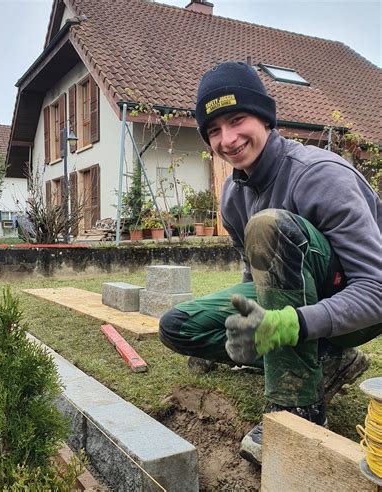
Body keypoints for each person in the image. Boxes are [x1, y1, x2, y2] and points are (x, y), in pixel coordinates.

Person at [159, 61, 382, 466]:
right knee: (178, 327)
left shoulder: (318, 175)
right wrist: (248, 323)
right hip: (306, 303)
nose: (227, 139)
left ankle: (298, 408)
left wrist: (291, 323)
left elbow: (377, 290)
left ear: (264, 116)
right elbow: (255, 276)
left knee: (268, 226)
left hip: (359, 304)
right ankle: (324, 359)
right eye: (213, 130)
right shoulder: (233, 195)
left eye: (237, 119)